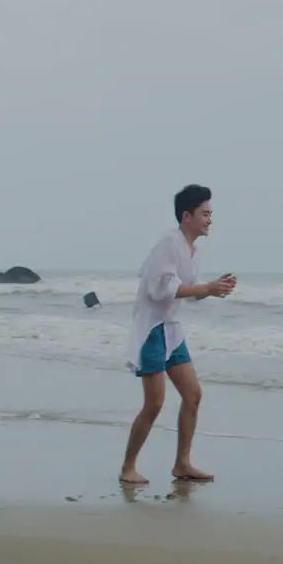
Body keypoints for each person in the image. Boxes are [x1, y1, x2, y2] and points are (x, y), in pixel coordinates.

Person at [118, 184, 236, 486]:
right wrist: (205, 288)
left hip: (171, 330)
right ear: (187, 215)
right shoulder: (169, 243)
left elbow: (191, 292)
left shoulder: (194, 248)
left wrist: (213, 288)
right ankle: (128, 467)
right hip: (151, 330)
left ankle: (182, 463)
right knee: (154, 403)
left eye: (211, 214)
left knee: (193, 395)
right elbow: (162, 290)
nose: (210, 220)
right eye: (205, 214)